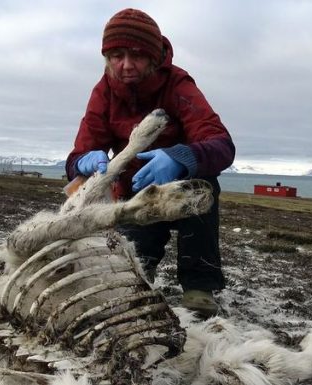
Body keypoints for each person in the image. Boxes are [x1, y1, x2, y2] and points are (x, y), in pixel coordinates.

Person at [65, 8, 235, 318]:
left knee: (204, 187)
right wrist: (81, 163)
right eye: (117, 56)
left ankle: (199, 287)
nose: (126, 65)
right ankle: (141, 275)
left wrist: (180, 158)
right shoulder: (103, 93)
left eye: (137, 55)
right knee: (132, 271)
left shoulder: (178, 85)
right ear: (106, 58)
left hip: (182, 186)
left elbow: (222, 145)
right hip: (134, 192)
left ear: (154, 57)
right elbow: (79, 154)